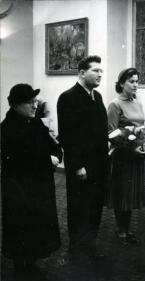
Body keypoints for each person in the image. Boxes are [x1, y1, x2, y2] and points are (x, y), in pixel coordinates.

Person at [1, 84, 62, 281]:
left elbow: (51, 144)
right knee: (20, 226)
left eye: (35, 101)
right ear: (15, 105)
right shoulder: (7, 127)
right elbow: (20, 158)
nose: (34, 106)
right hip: (18, 187)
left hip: (39, 185)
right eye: (29, 102)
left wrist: (56, 155)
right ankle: (20, 268)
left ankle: (32, 263)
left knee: (36, 225)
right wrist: (47, 159)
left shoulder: (35, 123)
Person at [57, 55, 109, 260]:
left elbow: (100, 130)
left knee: (95, 206)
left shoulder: (97, 97)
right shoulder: (68, 96)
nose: (99, 74)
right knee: (79, 207)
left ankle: (90, 245)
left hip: (99, 164)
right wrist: (77, 165)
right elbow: (68, 136)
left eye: (101, 71)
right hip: (81, 166)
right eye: (95, 70)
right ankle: (76, 248)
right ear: (81, 73)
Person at [107, 68, 145, 247]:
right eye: (131, 81)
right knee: (122, 194)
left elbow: (141, 129)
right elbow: (111, 134)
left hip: (137, 157)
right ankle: (120, 230)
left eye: (136, 81)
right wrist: (132, 148)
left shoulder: (137, 103)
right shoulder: (115, 104)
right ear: (121, 84)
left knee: (131, 195)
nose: (135, 84)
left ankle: (128, 228)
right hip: (123, 156)